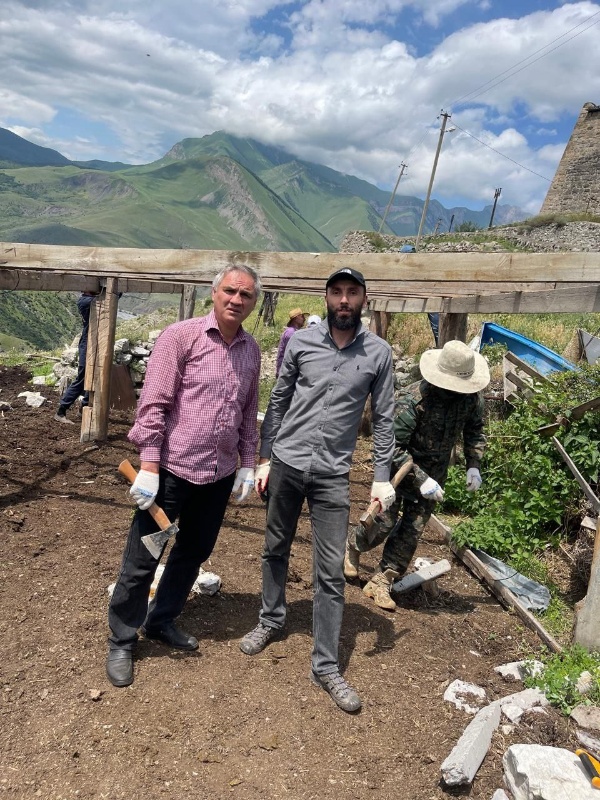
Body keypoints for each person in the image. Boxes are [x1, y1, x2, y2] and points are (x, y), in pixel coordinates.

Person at [239, 267, 396, 713]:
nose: (344, 300)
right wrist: (265, 455)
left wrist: (381, 476)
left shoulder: (378, 354)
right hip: (287, 462)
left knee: (330, 570)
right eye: (337, 292)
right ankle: (271, 619)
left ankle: (326, 665)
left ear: (364, 299)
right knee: (275, 547)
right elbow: (279, 399)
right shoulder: (302, 343)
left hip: (332, 474)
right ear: (326, 298)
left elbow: (383, 418)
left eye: (352, 293)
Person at [106, 264, 262, 688]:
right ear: (214, 293)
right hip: (173, 473)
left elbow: (248, 413)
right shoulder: (182, 336)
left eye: (246, 295)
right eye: (230, 291)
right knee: (144, 556)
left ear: (253, 302)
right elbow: (154, 403)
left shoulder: (251, 350)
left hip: (217, 476)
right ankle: (122, 638)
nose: (236, 300)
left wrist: (247, 462)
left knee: (193, 551)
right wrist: (150, 465)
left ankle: (161, 620)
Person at [344, 340, 489, 611]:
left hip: (434, 476)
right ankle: (352, 546)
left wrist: (474, 465)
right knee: (383, 523)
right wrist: (421, 478)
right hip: (398, 473)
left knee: (412, 530)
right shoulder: (414, 400)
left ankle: (381, 580)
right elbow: (389, 446)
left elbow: (475, 431)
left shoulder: (471, 399)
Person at [54, 291, 98, 424]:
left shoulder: (92, 300)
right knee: (84, 376)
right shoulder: (86, 301)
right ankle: (61, 411)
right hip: (87, 342)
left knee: (94, 376)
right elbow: (111, 297)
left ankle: (84, 407)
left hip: (94, 342)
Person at [400, 244, 439, 345]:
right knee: (436, 324)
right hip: (405, 297)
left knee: (437, 324)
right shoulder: (400, 268)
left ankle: (441, 345)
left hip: (427, 297)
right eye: (410, 255)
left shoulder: (421, 267)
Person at [275, 307, 307, 376]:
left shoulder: (293, 331)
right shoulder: (291, 332)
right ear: (296, 318)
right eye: (302, 316)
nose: (304, 319)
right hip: (286, 372)